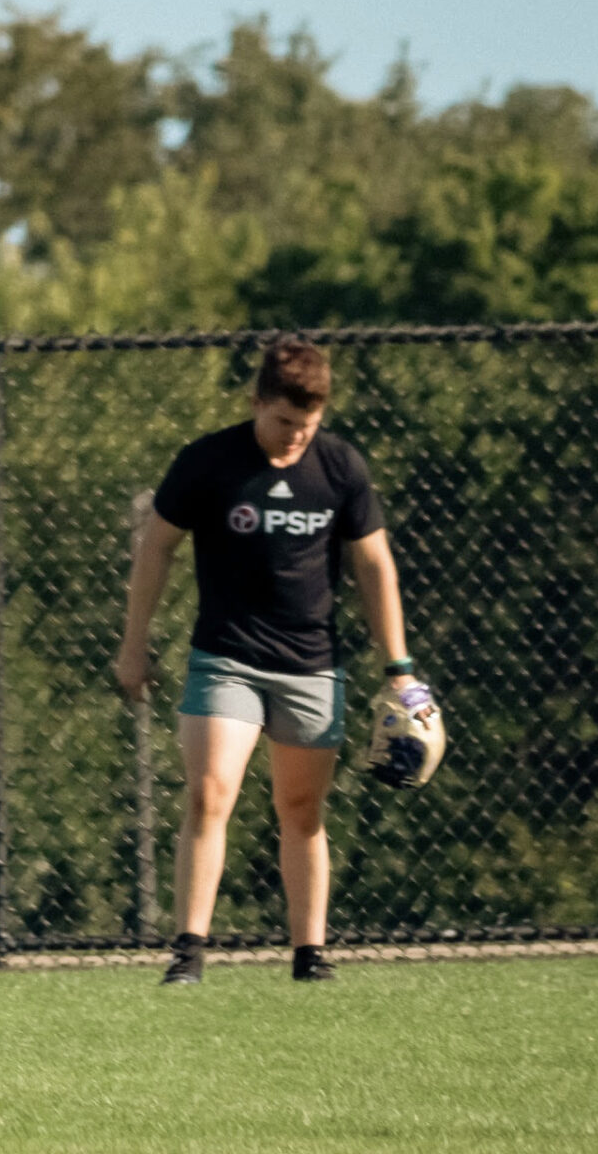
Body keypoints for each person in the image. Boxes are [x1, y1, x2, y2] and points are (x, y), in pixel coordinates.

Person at [110, 338, 419, 985]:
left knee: (301, 807)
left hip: (311, 663)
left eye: (308, 424)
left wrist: (400, 668)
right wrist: (134, 644)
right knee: (210, 792)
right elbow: (157, 547)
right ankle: (188, 953)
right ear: (255, 402)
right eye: (283, 421)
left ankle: (310, 956)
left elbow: (373, 564)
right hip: (227, 658)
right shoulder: (209, 461)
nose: (295, 436)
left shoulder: (338, 465)